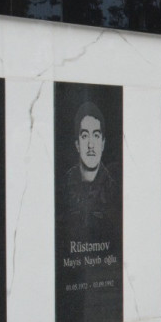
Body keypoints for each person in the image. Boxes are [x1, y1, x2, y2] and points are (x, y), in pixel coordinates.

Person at [62, 100, 120, 241]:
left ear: (102, 144)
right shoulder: (62, 186)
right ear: (77, 144)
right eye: (84, 136)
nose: (90, 144)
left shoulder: (115, 190)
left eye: (96, 135)